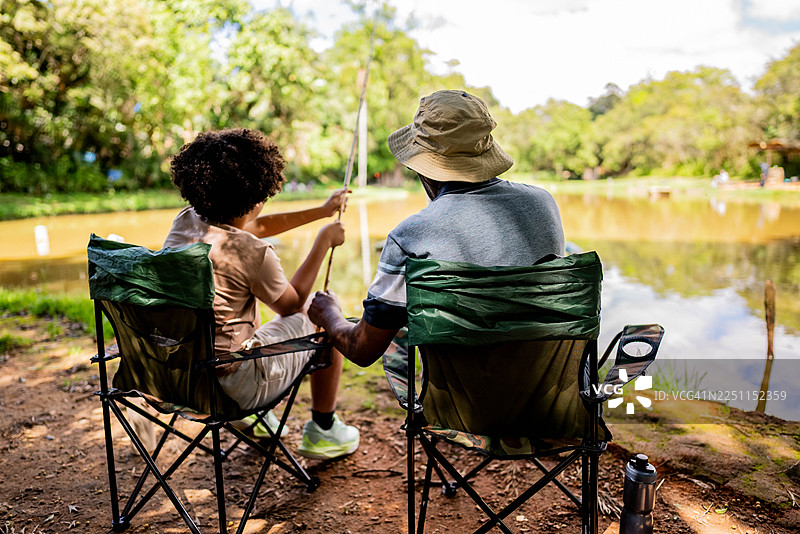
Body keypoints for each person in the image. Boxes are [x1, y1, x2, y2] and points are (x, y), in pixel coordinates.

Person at [308, 90, 565, 366]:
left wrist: (329, 313)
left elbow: (363, 349)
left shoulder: (411, 235)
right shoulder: (543, 204)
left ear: (425, 168)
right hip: (550, 385)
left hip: (463, 392)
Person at [163, 128, 359, 460]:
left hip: (176, 378)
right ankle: (324, 430)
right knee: (321, 309)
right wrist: (323, 242)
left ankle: (256, 419)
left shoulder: (186, 223)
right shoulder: (251, 252)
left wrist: (322, 211)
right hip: (231, 387)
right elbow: (291, 305)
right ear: (257, 197)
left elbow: (258, 226)